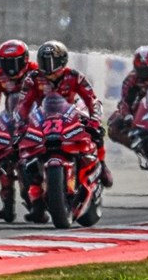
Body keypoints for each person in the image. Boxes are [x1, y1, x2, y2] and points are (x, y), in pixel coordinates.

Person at [13, 41, 112, 222]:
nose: (49, 68)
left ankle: (102, 166)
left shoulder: (75, 76)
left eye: (52, 62)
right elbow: (23, 105)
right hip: (43, 119)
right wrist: (20, 126)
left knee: (96, 135)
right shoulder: (32, 79)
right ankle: (35, 201)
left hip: (71, 115)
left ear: (62, 61)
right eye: (44, 62)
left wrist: (95, 121)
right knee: (21, 158)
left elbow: (92, 100)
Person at [0, 40, 37, 223]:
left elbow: (51, 96)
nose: (11, 68)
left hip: (37, 119)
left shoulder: (37, 71)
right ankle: (8, 205)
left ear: (25, 59)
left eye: (15, 62)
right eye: (6, 62)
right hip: (11, 119)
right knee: (2, 158)